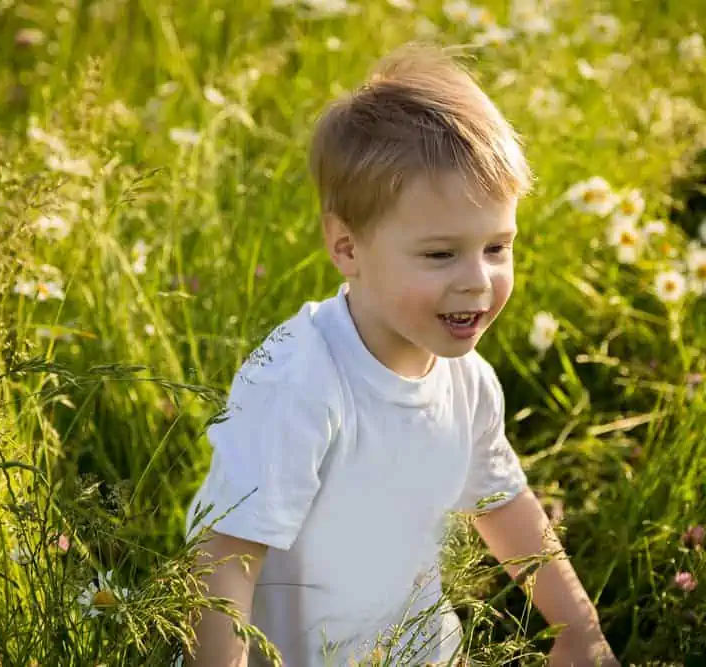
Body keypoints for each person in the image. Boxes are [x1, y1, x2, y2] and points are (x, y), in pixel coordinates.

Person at [184, 43, 619, 667]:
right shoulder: (301, 379)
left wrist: (578, 625)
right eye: (441, 254)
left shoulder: (468, 380)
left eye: (497, 247)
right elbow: (227, 553)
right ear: (348, 248)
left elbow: (503, 503)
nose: (477, 280)